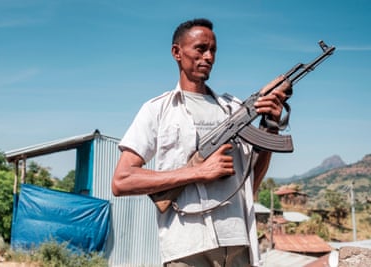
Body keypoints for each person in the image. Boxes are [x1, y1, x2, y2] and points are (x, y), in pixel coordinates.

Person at [112, 18, 291, 267]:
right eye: (200, 49)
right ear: (177, 52)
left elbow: (249, 182)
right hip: (188, 248)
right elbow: (122, 181)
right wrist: (197, 172)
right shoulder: (158, 110)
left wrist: (270, 126)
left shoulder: (233, 108)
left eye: (213, 50)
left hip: (238, 243)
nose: (208, 57)